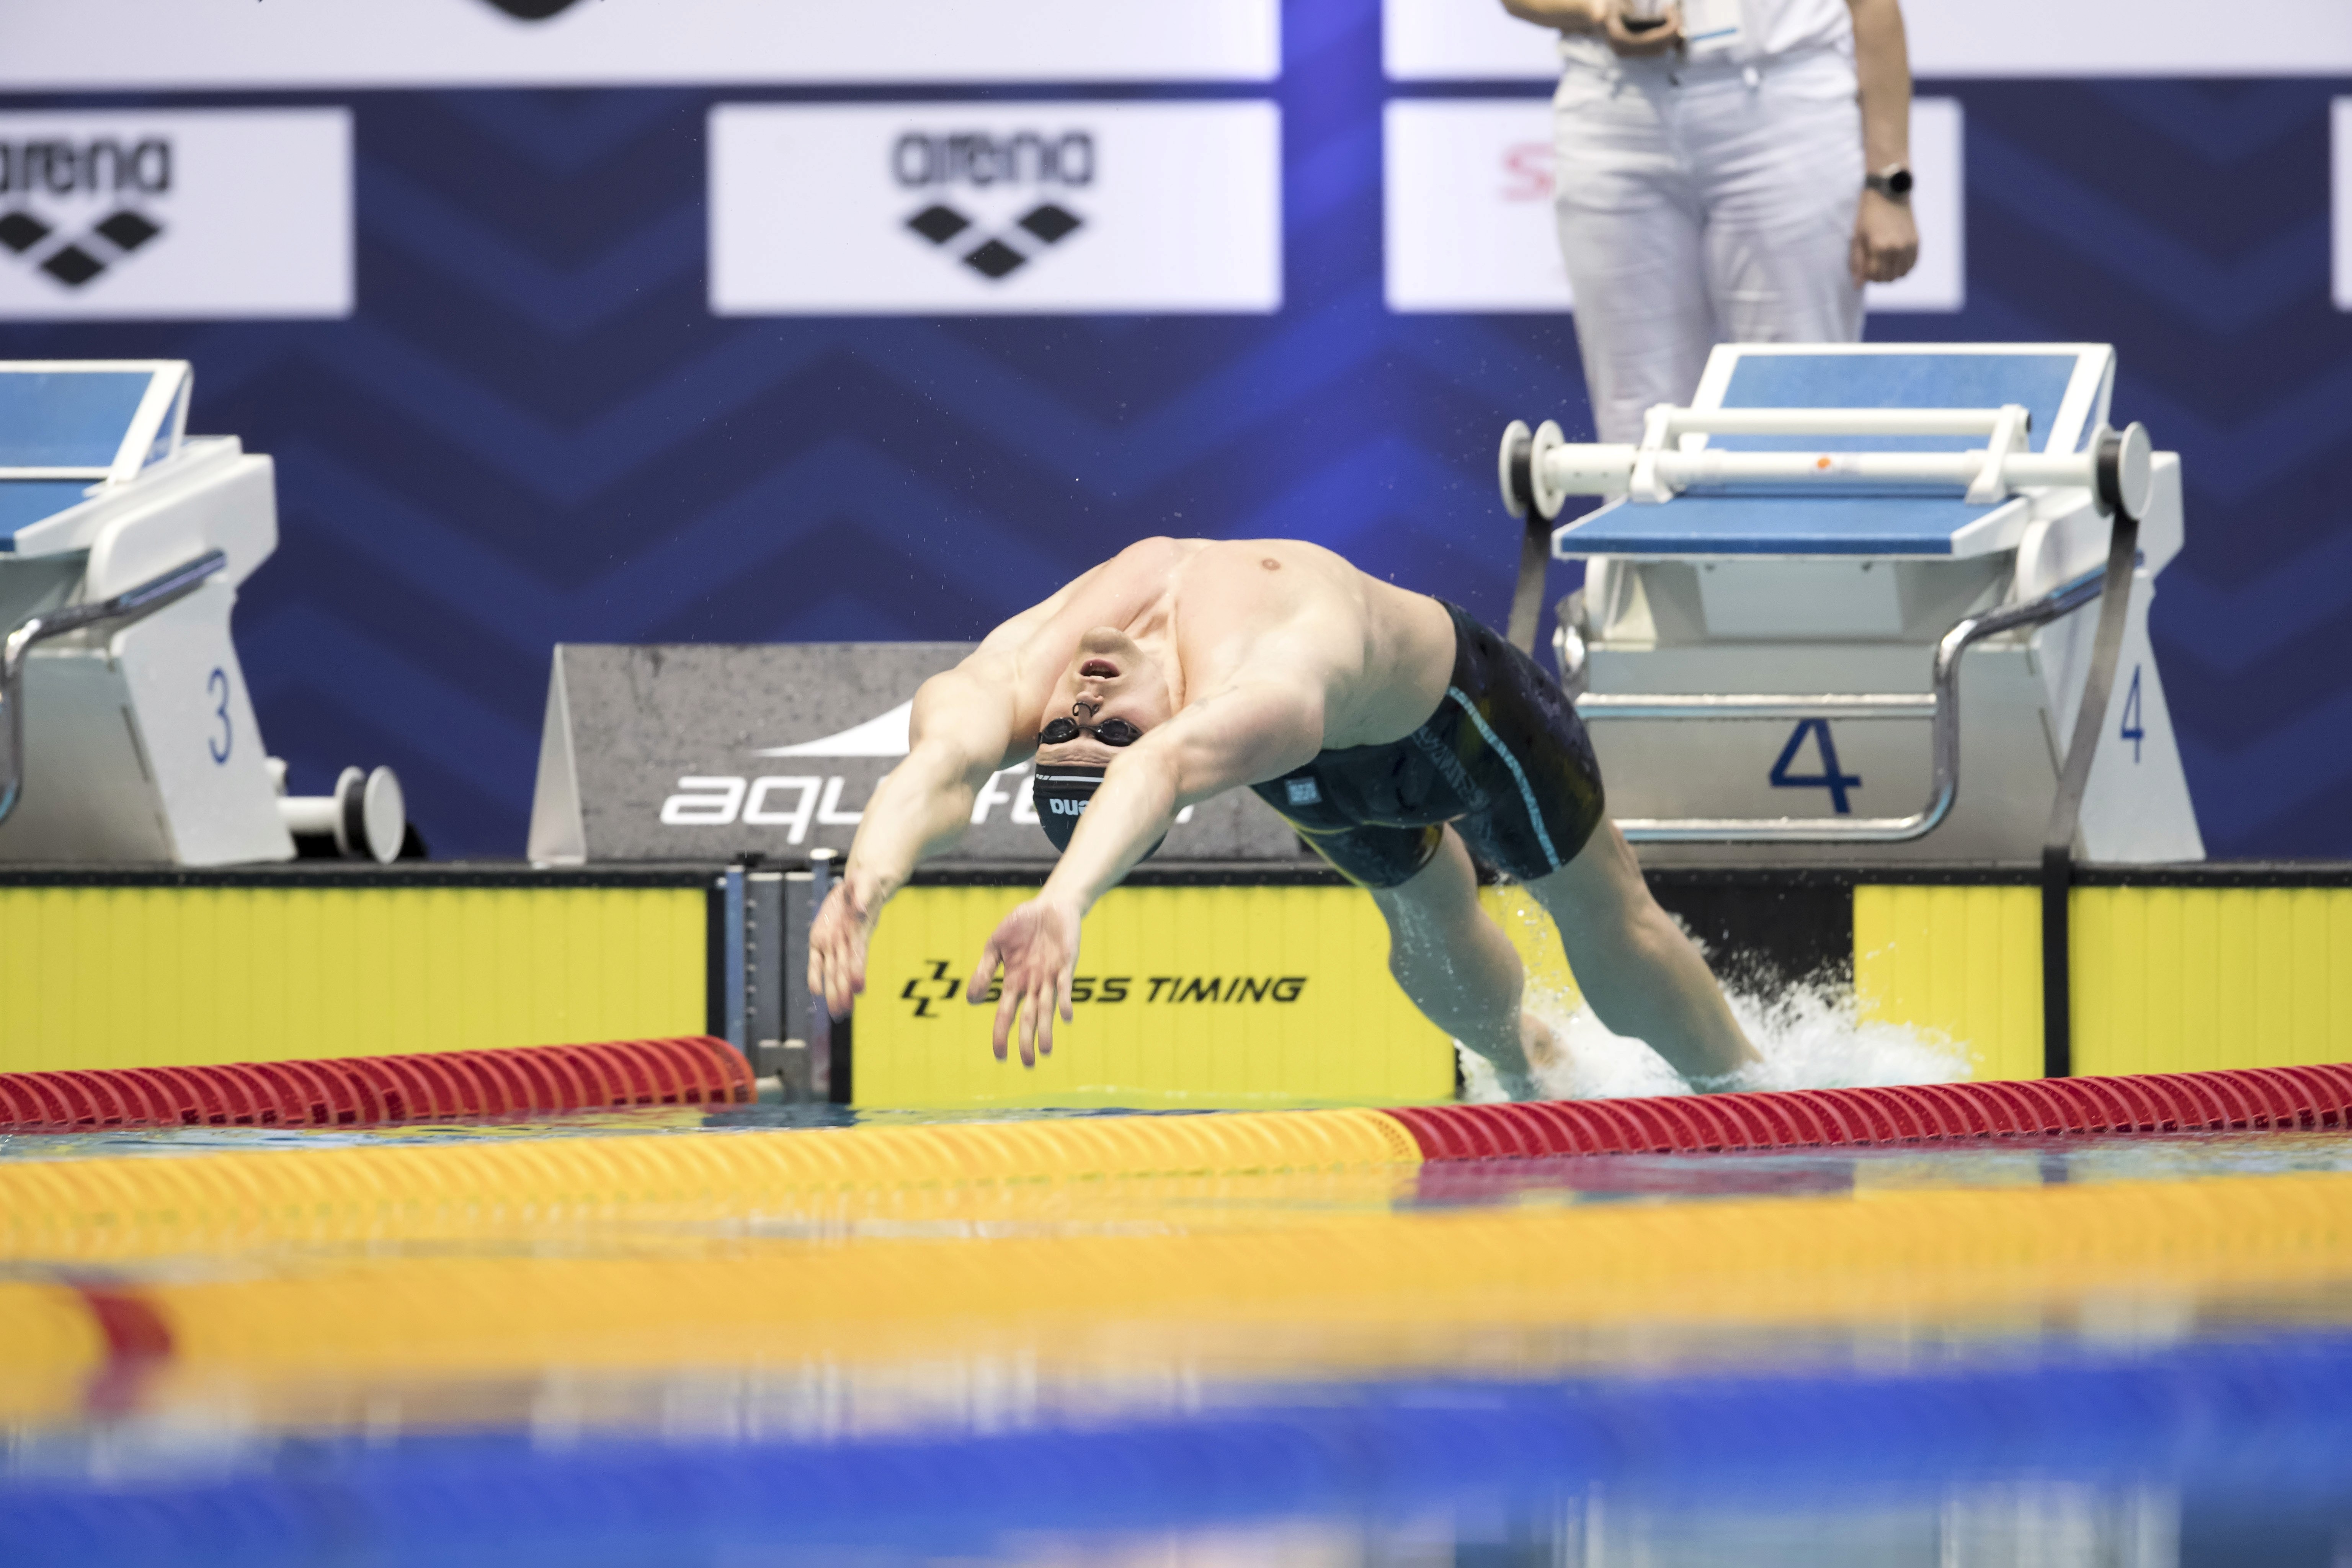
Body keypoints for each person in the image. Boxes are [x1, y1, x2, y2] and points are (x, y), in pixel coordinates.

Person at [807, 537, 1759, 1099]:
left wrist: (1029, 901)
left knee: (1604, 920)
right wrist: (891, 885)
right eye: (1104, 728)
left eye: (1068, 725)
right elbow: (1103, 767)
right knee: (1426, 922)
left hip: (1462, 717)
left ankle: (1750, 1088)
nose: (1083, 699)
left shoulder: (1065, 665)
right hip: (1321, 771)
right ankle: (1526, 1074)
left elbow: (998, 764)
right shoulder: (1225, 714)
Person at [1500, 0, 1920, 442]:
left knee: (1797, 404)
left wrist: (1888, 181)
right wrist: (1596, 11)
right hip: (1614, 108)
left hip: (1781, 103)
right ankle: (1645, 514)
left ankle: (1800, 511)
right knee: (1639, 420)